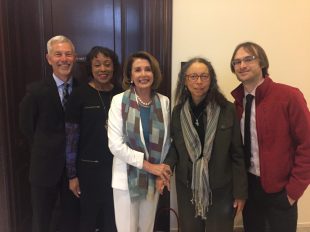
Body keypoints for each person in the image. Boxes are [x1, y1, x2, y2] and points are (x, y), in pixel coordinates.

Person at [159, 57, 247, 232]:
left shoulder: (227, 109)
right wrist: (167, 166)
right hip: (188, 189)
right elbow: (175, 148)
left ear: (211, 80)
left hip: (221, 190)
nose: (199, 82)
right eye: (193, 76)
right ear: (185, 80)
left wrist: (240, 193)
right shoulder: (177, 112)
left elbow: (237, 153)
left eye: (204, 76)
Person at [230, 41, 310, 232]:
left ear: (262, 63)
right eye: (236, 62)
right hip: (250, 190)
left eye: (248, 59)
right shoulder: (237, 104)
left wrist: (293, 192)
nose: (242, 65)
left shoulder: (289, 96)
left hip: (281, 192)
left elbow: (307, 145)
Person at [19, 35, 79, 232]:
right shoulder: (35, 92)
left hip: (74, 172)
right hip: (44, 170)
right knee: (42, 221)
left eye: (68, 54)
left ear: (74, 57)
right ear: (49, 58)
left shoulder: (83, 89)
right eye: (58, 54)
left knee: (71, 220)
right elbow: (27, 129)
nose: (64, 59)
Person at [108, 51, 171, 232]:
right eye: (137, 70)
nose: (143, 74)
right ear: (130, 76)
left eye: (148, 69)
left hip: (153, 179)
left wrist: (161, 173)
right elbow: (115, 145)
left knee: (147, 228)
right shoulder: (118, 101)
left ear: (154, 74)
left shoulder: (164, 102)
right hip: (126, 179)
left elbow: (167, 142)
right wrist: (149, 166)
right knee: (127, 229)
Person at [65, 46, 121, 232]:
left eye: (107, 64)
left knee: (113, 221)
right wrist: (72, 175)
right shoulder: (79, 95)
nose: (102, 69)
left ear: (114, 67)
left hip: (117, 170)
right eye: (97, 65)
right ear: (90, 67)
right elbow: (70, 139)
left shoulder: (121, 94)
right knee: (87, 221)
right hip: (88, 171)